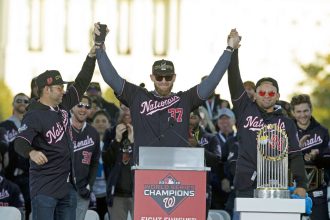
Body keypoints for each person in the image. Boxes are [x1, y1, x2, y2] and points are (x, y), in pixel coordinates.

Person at [94, 23, 240, 162]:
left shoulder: (184, 99)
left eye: (168, 77)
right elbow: (111, 78)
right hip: (144, 171)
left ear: (174, 78)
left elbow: (211, 82)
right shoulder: (138, 96)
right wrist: (99, 47)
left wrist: (229, 49)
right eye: (159, 77)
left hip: (177, 171)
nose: (163, 80)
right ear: (152, 77)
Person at [13, 45, 97, 220]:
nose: (63, 91)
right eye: (59, 87)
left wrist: (91, 55)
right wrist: (31, 152)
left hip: (67, 187)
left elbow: (81, 82)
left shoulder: (64, 104)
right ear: (46, 89)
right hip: (45, 189)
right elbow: (19, 142)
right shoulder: (33, 115)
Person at [227, 29, 307, 200]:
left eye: (271, 93)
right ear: (255, 94)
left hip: (275, 185)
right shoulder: (244, 108)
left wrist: (301, 184)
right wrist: (233, 50)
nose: (266, 96)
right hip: (246, 185)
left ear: (278, 96)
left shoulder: (286, 123)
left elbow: (295, 154)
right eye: (262, 93)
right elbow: (234, 78)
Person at [290, 94, 330, 220]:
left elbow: (328, 160)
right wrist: (297, 149)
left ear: (311, 110)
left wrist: (316, 157)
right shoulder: (287, 132)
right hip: (294, 191)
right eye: (299, 111)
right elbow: (280, 159)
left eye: (306, 110)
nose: (303, 115)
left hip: (317, 190)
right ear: (293, 112)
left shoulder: (322, 131)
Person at [0, 93, 31, 220]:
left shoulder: (33, 125)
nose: (22, 103)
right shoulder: (4, 125)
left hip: (29, 176)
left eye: (25, 101)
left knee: (29, 208)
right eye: (18, 100)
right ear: (13, 104)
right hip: (10, 176)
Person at [188, 109, 222, 218]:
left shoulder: (211, 138)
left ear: (201, 119)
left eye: (194, 117)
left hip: (202, 187)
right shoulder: (176, 137)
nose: (190, 121)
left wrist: (198, 147)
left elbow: (216, 160)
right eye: (188, 117)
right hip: (179, 187)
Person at [71, 95, 100, 220]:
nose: (83, 109)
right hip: (61, 189)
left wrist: (89, 185)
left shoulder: (93, 133)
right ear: (72, 107)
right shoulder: (61, 128)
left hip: (82, 190)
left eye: (87, 106)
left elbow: (94, 162)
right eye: (79, 105)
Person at [103, 108, 134, 220]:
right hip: (116, 193)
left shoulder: (143, 132)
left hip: (138, 192)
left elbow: (145, 160)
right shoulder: (110, 132)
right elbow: (106, 160)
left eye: (130, 107)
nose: (126, 111)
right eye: (123, 108)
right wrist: (117, 140)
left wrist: (132, 142)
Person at [91, 110, 112, 220]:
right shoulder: (86, 145)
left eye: (104, 121)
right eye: (97, 121)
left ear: (109, 124)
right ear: (92, 125)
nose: (100, 123)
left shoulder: (113, 145)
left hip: (108, 194)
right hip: (91, 195)